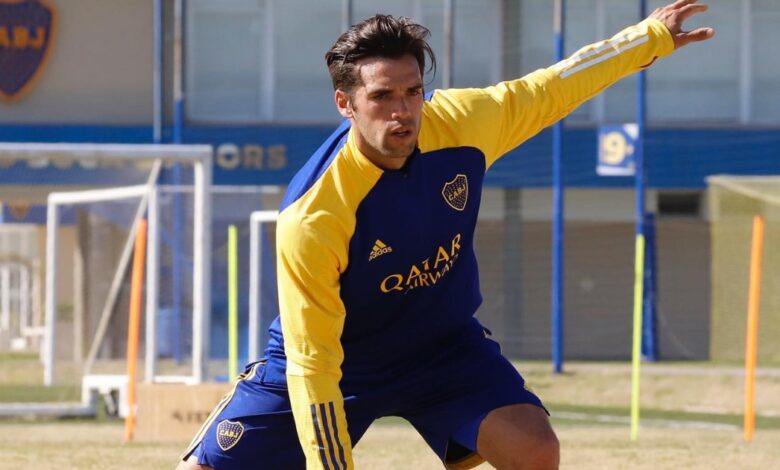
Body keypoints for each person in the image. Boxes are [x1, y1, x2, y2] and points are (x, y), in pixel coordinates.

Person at [179, 1, 712, 468]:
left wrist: (647, 38)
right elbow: (313, 364)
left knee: (534, 450)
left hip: (440, 347)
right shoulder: (313, 216)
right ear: (345, 104)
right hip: (333, 360)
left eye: (413, 92)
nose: (402, 111)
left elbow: (551, 89)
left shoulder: (461, 123)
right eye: (382, 96)